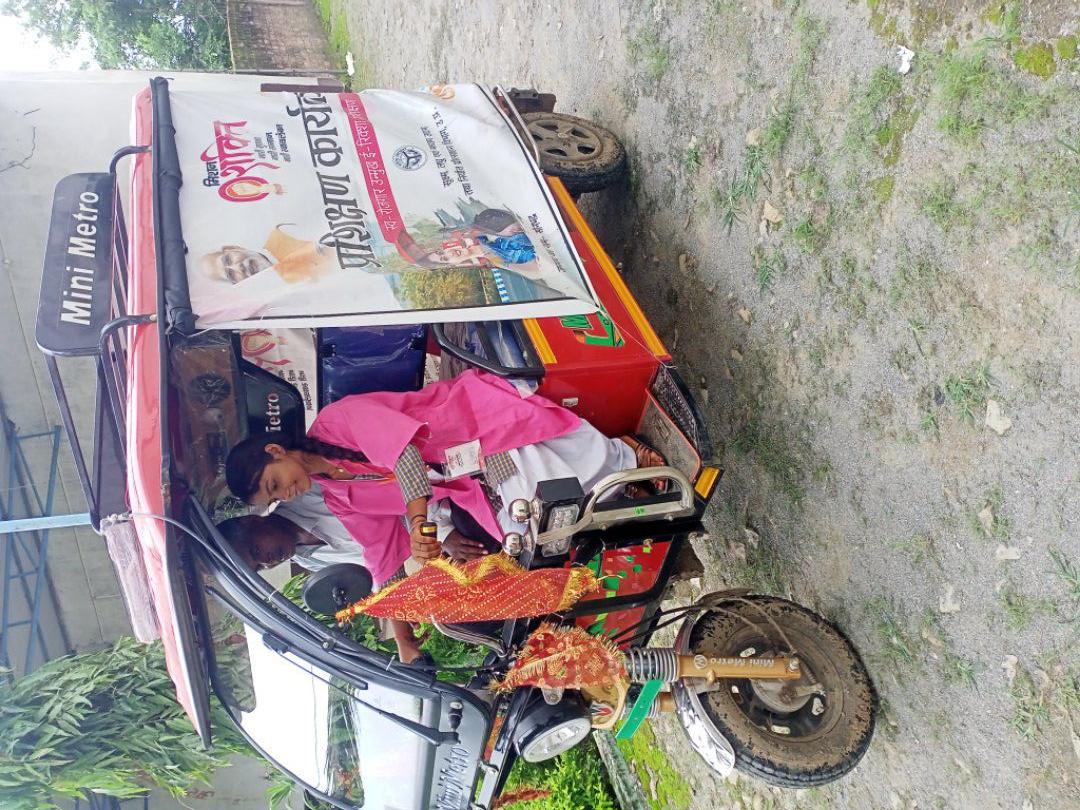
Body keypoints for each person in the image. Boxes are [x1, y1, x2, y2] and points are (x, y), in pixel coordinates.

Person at [224, 369, 664, 585]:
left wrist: (420, 522)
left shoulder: (337, 421)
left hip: (474, 428)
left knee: (538, 489)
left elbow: (407, 457)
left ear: (275, 451)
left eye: (274, 483)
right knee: (525, 539)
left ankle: (624, 456)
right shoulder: (339, 496)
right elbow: (380, 555)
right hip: (470, 484)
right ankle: (617, 496)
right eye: (275, 498)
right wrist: (395, 610)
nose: (286, 494)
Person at [216, 511, 424, 663]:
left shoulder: (313, 494)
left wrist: (401, 636)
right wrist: (401, 607)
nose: (268, 561)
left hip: (429, 510)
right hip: (430, 548)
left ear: (251, 520)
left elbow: (381, 545)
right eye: (260, 567)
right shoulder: (308, 560)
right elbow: (373, 576)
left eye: (256, 551)